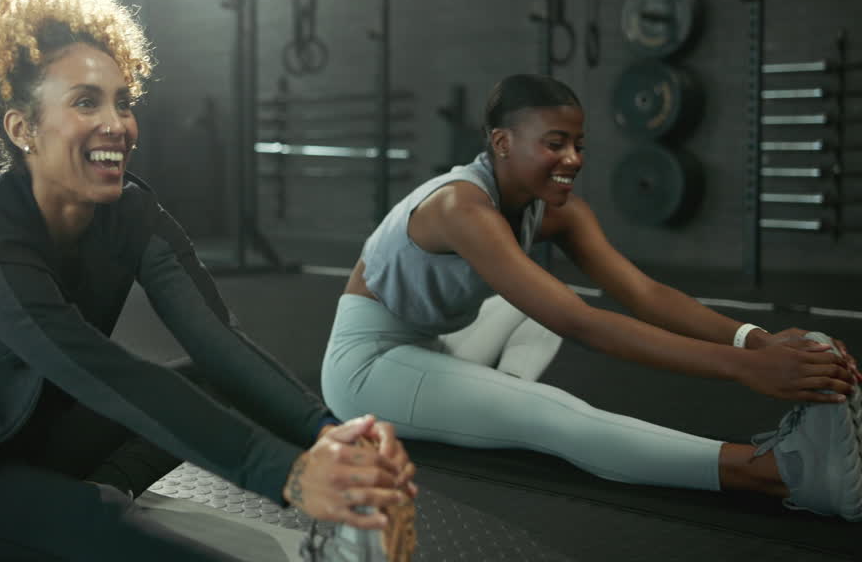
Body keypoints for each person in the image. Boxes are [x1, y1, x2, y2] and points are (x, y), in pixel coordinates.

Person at [0, 0, 417, 562]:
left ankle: (83, 494)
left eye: (123, 101)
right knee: (102, 528)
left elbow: (217, 341)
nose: (116, 124)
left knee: (210, 383)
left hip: (36, 437)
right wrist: (291, 475)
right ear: (23, 130)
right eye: (85, 102)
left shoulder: (130, 212)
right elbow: (103, 372)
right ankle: (75, 507)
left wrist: (332, 435)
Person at [320, 73, 862, 522]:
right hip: (368, 368)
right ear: (503, 143)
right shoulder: (460, 209)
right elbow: (582, 323)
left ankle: (488, 398)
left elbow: (642, 291)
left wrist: (757, 342)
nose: (574, 159)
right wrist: (743, 369)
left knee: (534, 306)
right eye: (554, 143)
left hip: (429, 344)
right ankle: (779, 472)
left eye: (579, 145)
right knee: (554, 412)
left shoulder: (555, 210)